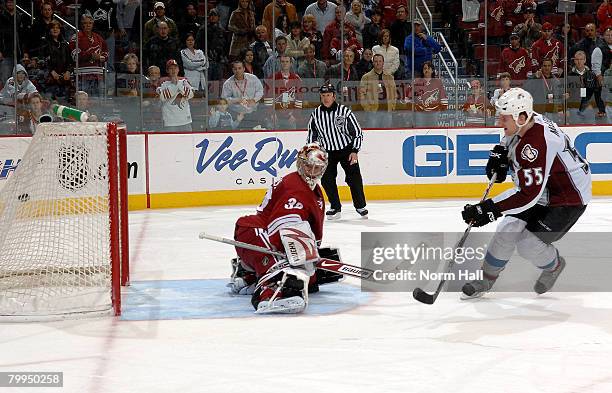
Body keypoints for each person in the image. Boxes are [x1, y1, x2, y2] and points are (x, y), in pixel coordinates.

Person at [461, 88, 591, 299]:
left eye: (504, 118)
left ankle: (554, 265)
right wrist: (500, 152)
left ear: (521, 116)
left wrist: (489, 209)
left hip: (567, 197)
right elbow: (512, 140)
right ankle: (486, 279)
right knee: (508, 229)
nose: (499, 123)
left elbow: (528, 194)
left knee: (527, 244)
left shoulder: (535, 144)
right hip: (544, 186)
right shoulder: (528, 119)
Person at [231, 143, 330, 314]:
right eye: (309, 166)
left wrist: (312, 253)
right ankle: (269, 292)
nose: (312, 171)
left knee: (310, 277)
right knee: (280, 263)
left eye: (317, 167)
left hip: (271, 234)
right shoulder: (294, 186)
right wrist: (296, 257)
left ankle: (248, 273)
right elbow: (283, 226)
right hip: (254, 230)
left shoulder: (314, 189)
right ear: (300, 163)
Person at [307, 83, 367, 220]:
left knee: (354, 178)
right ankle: (335, 207)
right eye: (323, 96)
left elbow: (357, 133)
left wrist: (354, 151)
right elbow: (312, 135)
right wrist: (313, 150)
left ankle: (360, 206)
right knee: (327, 180)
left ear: (334, 96)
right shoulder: (316, 114)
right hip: (327, 152)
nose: (326, 98)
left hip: (347, 150)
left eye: (328, 95)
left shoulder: (344, 112)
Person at [221, 60, 264, 129]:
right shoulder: (228, 83)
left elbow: (260, 91)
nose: (237, 71)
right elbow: (224, 99)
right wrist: (237, 100)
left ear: (244, 69)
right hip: (236, 114)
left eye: (239, 68)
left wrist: (254, 100)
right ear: (232, 70)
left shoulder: (253, 78)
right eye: (235, 69)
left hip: (254, 112)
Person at [359, 53, 396, 128]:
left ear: (383, 63)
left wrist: (392, 106)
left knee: (387, 135)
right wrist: (367, 108)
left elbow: (394, 93)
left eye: (380, 61)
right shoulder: (366, 77)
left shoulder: (389, 77)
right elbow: (361, 94)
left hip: (387, 111)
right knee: (372, 135)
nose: (378, 63)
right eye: (376, 61)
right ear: (373, 63)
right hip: (373, 112)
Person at [156, 59, 194, 131]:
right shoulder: (163, 82)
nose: (173, 70)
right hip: (170, 122)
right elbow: (162, 97)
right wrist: (174, 86)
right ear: (167, 70)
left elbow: (190, 95)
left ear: (178, 69)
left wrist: (177, 84)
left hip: (185, 120)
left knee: (187, 141)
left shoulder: (184, 81)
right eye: (171, 68)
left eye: (175, 68)